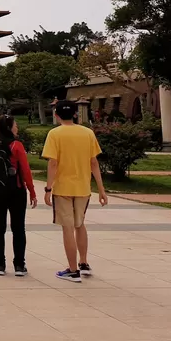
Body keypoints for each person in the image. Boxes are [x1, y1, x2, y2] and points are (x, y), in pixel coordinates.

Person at [43, 99, 108, 283]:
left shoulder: (54, 134)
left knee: (67, 228)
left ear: (56, 115)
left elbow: (53, 163)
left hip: (63, 187)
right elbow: (94, 162)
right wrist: (101, 190)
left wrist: (48, 188)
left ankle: (72, 270)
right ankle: (84, 263)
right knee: (80, 224)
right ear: (75, 114)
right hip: (83, 187)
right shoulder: (88, 133)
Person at [0, 115, 37, 276]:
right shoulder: (16, 145)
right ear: (9, 128)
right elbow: (25, 171)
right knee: (18, 228)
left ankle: (0, 265)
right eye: (15, 125)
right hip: (16, 190)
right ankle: (19, 265)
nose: (17, 128)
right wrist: (32, 191)